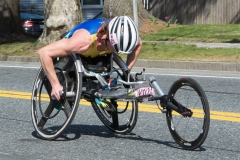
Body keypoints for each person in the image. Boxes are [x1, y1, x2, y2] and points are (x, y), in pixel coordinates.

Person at [38, 16, 142, 101]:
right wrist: (55, 85)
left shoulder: (120, 37)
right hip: (74, 54)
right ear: (104, 35)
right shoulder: (82, 42)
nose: (116, 52)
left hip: (97, 56)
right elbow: (43, 52)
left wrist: (126, 71)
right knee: (60, 99)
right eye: (114, 48)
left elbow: (138, 44)